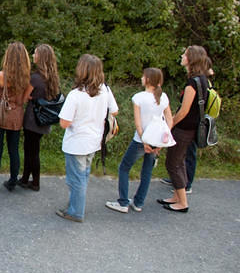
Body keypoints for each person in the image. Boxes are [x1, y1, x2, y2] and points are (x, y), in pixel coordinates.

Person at [57, 54, 118, 223]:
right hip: (94, 141)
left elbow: (64, 122)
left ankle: (76, 212)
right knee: (83, 176)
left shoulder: (75, 95)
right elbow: (115, 111)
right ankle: (75, 206)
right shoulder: (105, 89)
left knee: (76, 179)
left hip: (76, 142)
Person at [105, 68, 173, 213]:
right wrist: (163, 141)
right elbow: (169, 119)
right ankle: (139, 202)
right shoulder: (164, 97)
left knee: (124, 167)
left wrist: (144, 141)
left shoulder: (139, 97)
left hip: (141, 140)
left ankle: (123, 202)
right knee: (147, 172)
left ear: (147, 79)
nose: (141, 78)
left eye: (143, 76)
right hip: (157, 140)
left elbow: (138, 123)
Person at [158, 45, 210, 213]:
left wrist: (170, 124)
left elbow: (184, 110)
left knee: (173, 163)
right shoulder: (203, 79)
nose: (182, 56)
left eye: (185, 54)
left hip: (184, 129)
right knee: (179, 162)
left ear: (191, 59)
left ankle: (182, 203)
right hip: (193, 129)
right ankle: (176, 196)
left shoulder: (192, 84)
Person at [0, 42, 31, 192]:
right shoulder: (27, 78)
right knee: (14, 150)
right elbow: (24, 100)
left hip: (1, 115)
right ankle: (12, 182)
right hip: (16, 115)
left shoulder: (0, 76)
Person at [18, 44, 60, 192]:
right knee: (33, 149)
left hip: (32, 119)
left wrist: (29, 97)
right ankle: (26, 178)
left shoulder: (35, 78)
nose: (33, 56)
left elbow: (24, 98)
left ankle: (34, 181)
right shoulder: (52, 78)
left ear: (40, 57)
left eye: (35, 53)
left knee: (31, 151)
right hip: (44, 119)